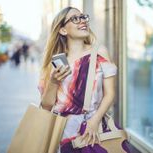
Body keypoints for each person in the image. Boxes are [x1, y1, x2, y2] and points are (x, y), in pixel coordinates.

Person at [38, 7, 132, 153]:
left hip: (92, 129)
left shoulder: (99, 52)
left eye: (83, 17)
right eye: (75, 18)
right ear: (63, 30)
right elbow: (46, 106)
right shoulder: (56, 62)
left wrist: (94, 121)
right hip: (64, 133)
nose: (82, 21)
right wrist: (53, 82)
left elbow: (110, 94)